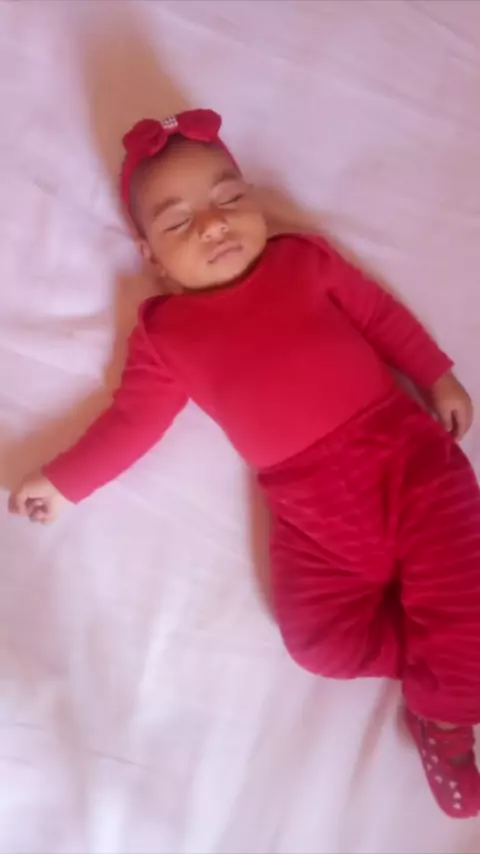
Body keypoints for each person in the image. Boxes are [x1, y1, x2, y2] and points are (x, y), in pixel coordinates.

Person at [9, 109, 480, 818]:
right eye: (179, 222)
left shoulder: (303, 262)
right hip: (309, 513)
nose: (213, 225)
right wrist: (65, 481)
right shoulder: (167, 336)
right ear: (151, 257)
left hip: (408, 465)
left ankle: (445, 720)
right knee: (319, 644)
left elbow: (380, 316)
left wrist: (436, 374)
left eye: (228, 198)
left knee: (460, 592)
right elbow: (131, 423)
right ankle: (444, 658)